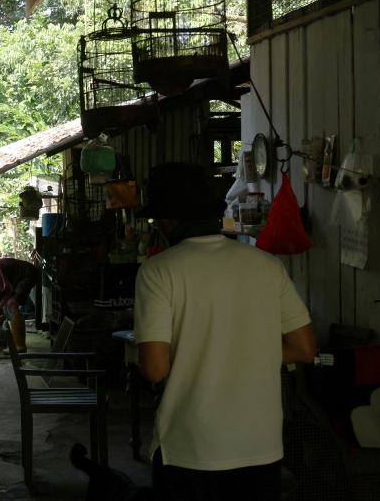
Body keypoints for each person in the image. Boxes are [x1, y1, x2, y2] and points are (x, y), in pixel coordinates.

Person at [133, 163, 317, 501]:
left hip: (190, 447)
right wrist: (246, 354)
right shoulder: (266, 264)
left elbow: (155, 368)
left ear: (167, 220)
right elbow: (304, 349)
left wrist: (199, 355)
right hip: (259, 445)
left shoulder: (158, 271)